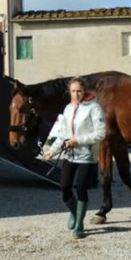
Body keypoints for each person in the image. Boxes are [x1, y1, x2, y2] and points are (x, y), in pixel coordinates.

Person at [42, 77, 106, 238]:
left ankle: (79, 224)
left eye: (79, 91)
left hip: (87, 156)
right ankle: (74, 212)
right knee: (64, 187)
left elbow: (100, 133)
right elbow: (63, 134)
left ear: (84, 91)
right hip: (70, 155)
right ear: (69, 92)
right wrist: (52, 151)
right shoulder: (68, 108)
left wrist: (78, 140)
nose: (76, 94)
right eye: (73, 91)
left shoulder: (94, 108)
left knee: (81, 188)